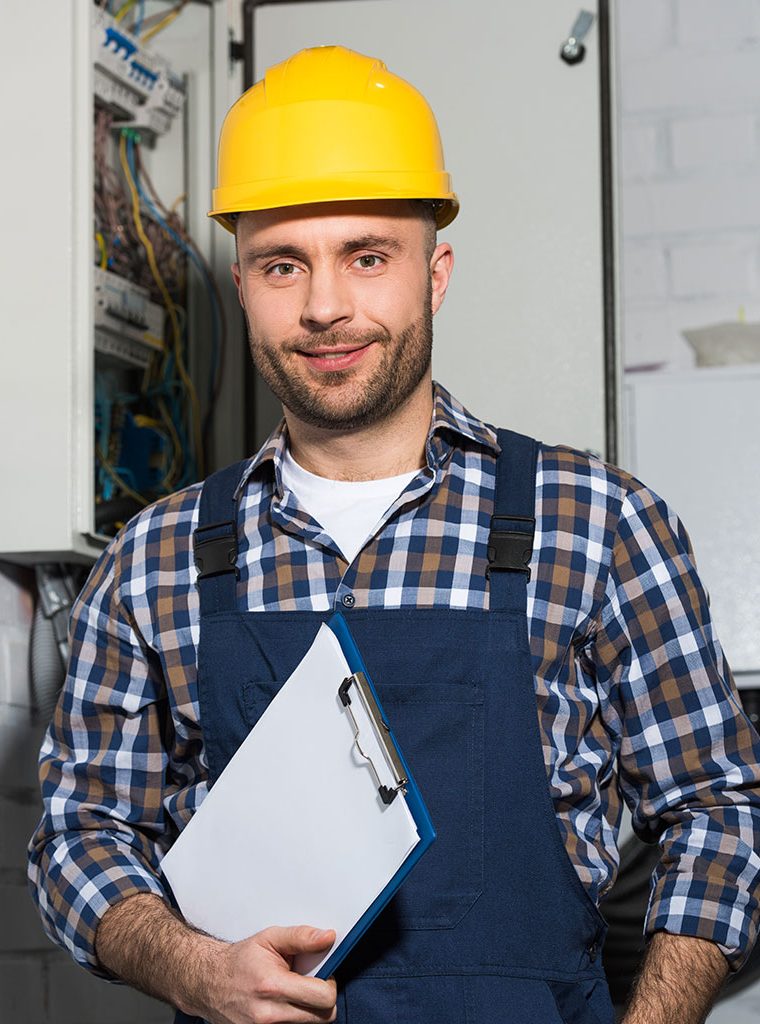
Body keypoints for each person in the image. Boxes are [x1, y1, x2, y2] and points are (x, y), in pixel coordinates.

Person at [28, 45, 760, 1024]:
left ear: (436, 273)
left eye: (366, 256)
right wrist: (188, 968)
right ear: (241, 283)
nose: (325, 305)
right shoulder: (154, 562)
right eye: (282, 264)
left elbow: (719, 810)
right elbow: (79, 832)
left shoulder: (595, 525)